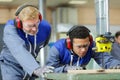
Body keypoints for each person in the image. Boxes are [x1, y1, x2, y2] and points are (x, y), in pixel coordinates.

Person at [0, 4, 54, 80]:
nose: (35, 29)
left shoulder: (46, 28)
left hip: (31, 63)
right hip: (12, 65)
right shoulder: (10, 29)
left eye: (36, 23)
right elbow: (18, 50)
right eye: (30, 26)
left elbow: (43, 44)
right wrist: (35, 69)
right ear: (19, 23)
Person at [46, 25, 120, 73]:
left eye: (85, 45)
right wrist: (65, 69)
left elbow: (107, 60)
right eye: (79, 46)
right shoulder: (57, 48)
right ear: (70, 43)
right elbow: (50, 70)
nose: (83, 50)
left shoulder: (92, 46)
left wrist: (116, 65)